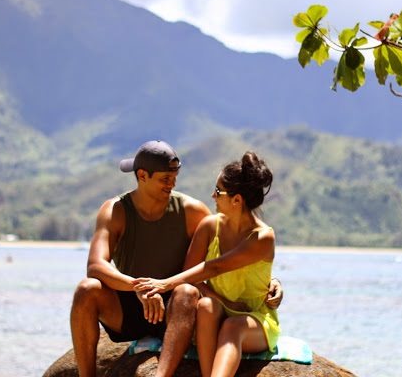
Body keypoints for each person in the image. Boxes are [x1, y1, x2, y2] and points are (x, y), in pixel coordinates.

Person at [70, 141, 283, 377]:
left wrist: (272, 282)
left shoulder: (193, 211)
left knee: (187, 292)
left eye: (174, 177)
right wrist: (138, 287)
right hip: (130, 303)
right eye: (165, 178)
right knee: (86, 289)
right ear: (142, 176)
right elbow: (95, 266)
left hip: (176, 309)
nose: (172, 184)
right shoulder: (115, 210)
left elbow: (230, 257)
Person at [133, 151, 279, 377]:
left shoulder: (262, 237)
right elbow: (191, 274)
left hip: (253, 318)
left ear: (237, 200)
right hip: (217, 311)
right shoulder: (210, 226)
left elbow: (215, 267)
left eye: (218, 191)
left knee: (232, 327)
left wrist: (163, 284)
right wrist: (219, 300)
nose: (213, 195)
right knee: (206, 306)